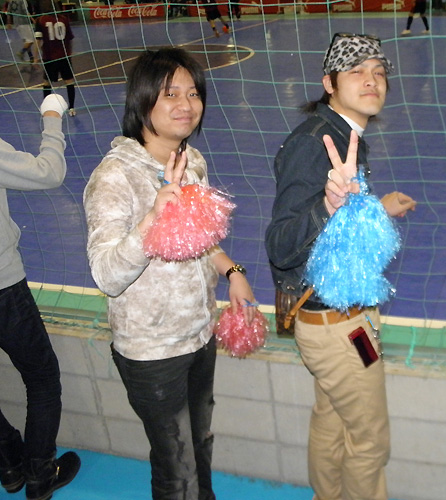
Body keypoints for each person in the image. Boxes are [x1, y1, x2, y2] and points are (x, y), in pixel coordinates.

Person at [83, 47, 257, 500]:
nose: (186, 104)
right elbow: (106, 275)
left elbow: (199, 240)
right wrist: (151, 219)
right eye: (171, 94)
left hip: (199, 334)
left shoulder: (190, 160)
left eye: (193, 93)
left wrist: (232, 270)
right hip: (152, 352)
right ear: (143, 101)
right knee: (175, 467)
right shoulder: (114, 178)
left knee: (200, 443)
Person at [265, 33, 416, 500]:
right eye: (357, 71)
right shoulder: (317, 143)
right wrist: (329, 205)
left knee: (331, 420)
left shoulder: (344, 135)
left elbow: (334, 233)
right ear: (329, 83)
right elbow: (281, 245)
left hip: (340, 322)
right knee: (370, 441)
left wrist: (376, 208)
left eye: (379, 72)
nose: (372, 80)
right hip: (340, 330)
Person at [0, 93, 81, 500]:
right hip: (2, 287)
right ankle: (39, 473)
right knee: (42, 378)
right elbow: (49, 173)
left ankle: (9, 463)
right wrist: (52, 118)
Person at [34, 1, 77, 116]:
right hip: (64, 56)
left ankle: (47, 108)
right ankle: (72, 108)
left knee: (47, 82)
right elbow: (70, 38)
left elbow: (38, 40)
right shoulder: (64, 19)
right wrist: (69, 53)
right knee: (69, 81)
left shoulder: (41, 20)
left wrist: (35, 57)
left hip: (49, 57)